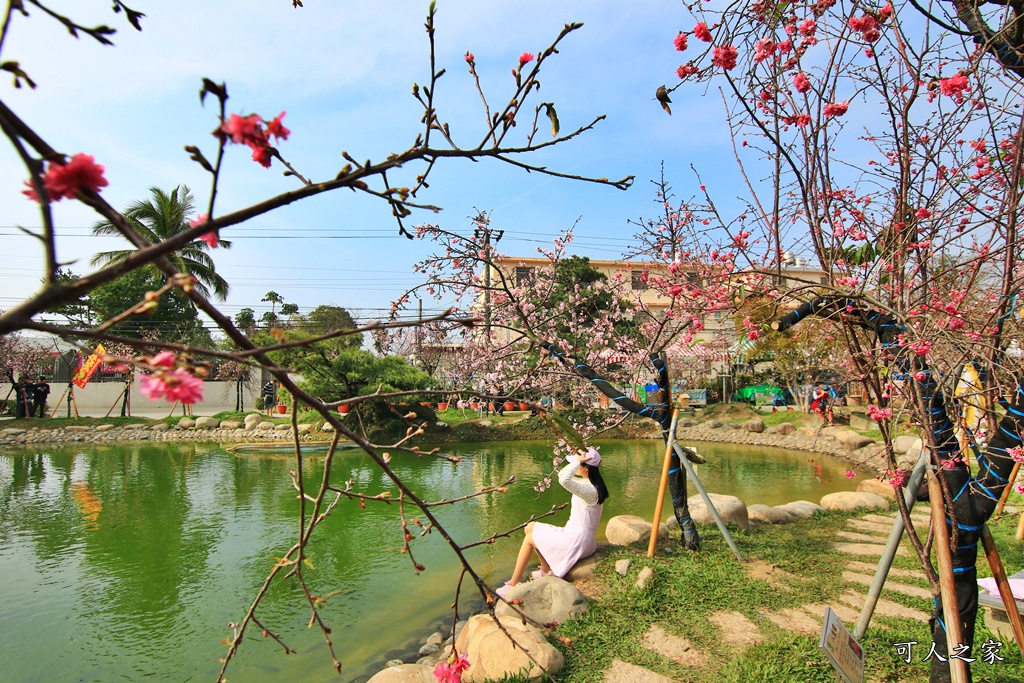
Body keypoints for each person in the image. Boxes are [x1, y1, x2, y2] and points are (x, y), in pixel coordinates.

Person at [496, 446, 608, 597]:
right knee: (530, 527)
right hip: (576, 534)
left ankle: (513, 584)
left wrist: (577, 462)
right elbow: (563, 476)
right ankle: (545, 570)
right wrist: (578, 462)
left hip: (578, 540)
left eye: (578, 464)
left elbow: (563, 478)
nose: (574, 466)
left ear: (586, 468)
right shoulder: (589, 485)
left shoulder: (590, 491)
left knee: (530, 539)